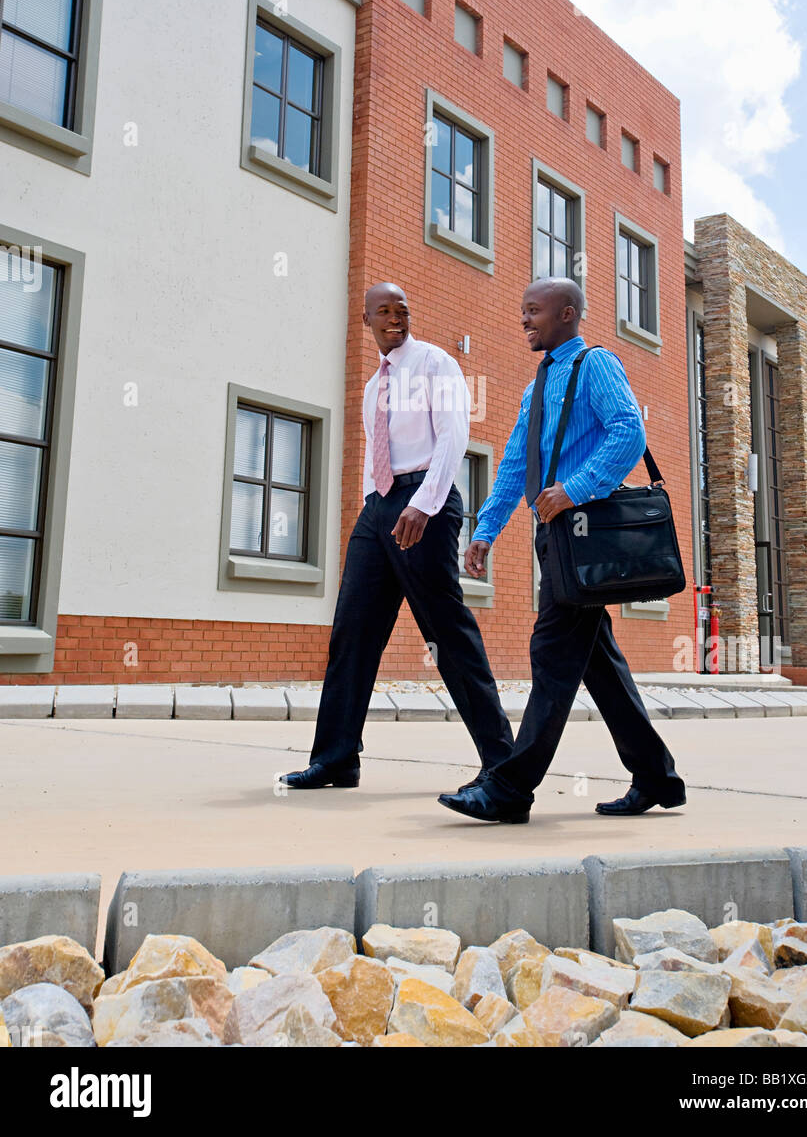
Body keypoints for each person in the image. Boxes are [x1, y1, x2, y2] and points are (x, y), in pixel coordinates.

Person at [438, 277, 685, 825]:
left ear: (568, 313)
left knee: (552, 655)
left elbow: (628, 434)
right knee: (599, 665)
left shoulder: (596, 365)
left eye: (534, 311)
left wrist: (575, 488)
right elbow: (514, 464)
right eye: (523, 311)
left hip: (582, 529)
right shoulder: (538, 384)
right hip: (555, 536)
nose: (524, 320)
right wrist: (486, 529)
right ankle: (657, 777)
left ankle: (509, 789)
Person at [280, 282, 514, 789]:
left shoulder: (435, 364)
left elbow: (455, 436)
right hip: (380, 507)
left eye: (401, 310)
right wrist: (373, 505)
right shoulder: (372, 386)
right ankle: (337, 757)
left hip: (425, 504)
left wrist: (423, 505)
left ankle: (502, 763)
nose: (394, 318)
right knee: (352, 630)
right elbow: (375, 452)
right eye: (382, 311)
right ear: (366, 320)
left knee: (446, 631)